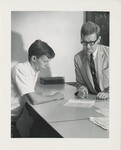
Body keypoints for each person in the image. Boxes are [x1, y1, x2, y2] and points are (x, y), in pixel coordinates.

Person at [11, 40, 64, 137]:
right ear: (34, 58)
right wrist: (55, 96)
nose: (47, 65)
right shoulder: (20, 69)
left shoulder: (33, 71)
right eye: (45, 61)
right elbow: (34, 100)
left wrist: (40, 96)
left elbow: (31, 95)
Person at [74, 21, 109, 100]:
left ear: (98, 39)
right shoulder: (77, 58)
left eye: (91, 42)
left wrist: (108, 93)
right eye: (84, 42)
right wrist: (82, 90)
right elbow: (81, 84)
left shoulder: (111, 54)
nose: (88, 46)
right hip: (93, 100)